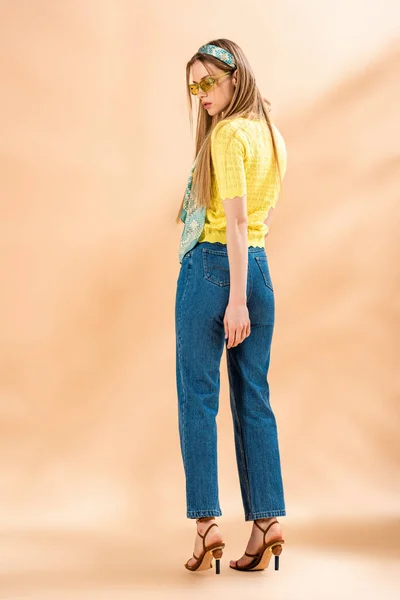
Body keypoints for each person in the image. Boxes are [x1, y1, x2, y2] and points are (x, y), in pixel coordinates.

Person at [175, 39, 287, 574]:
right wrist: (248, 290)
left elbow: (237, 222)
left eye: (208, 83)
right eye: (193, 87)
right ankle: (267, 522)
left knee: (198, 396)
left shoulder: (227, 135)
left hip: (216, 271)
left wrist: (235, 300)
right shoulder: (271, 133)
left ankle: (206, 527)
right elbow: (258, 222)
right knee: (254, 399)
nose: (201, 96)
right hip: (260, 270)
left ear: (235, 77)